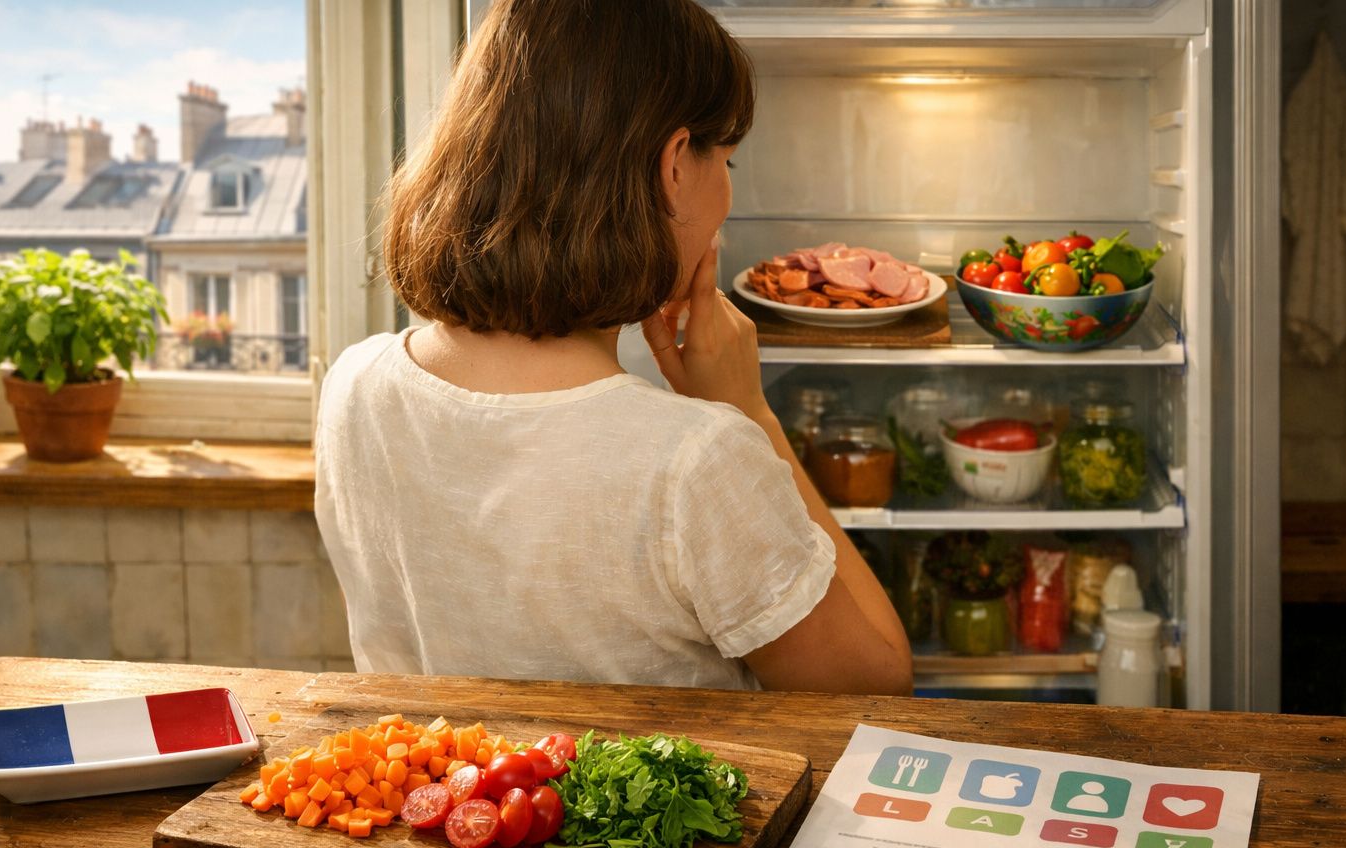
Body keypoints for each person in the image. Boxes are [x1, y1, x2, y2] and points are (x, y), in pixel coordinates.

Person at [314, 0, 912, 695]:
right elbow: (873, 688)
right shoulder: (697, 459)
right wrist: (751, 411)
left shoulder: (355, 384)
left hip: (436, 800)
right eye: (727, 161)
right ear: (673, 169)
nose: (726, 190)